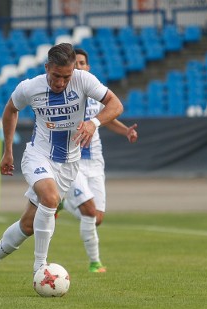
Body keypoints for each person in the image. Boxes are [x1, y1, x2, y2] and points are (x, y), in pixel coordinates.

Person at [0, 43, 123, 293]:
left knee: (28, 226)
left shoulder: (84, 80)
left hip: (69, 165)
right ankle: (39, 269)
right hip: (38, 156)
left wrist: (94, 122)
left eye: (67, 77)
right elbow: (10, 111)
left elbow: (115, 105)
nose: (61, 82)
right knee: (50, 199)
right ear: (46, 68)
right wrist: (8, 150)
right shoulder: (30, 87)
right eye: (56, 76)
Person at [56, 48, 138, 273]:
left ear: (88, 67)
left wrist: (125, 131)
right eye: (76, 64)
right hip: (72, 161)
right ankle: (95, 263)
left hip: (95, 161)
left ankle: (62, 202)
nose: (79, 67)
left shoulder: (95, 91)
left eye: (82, 63)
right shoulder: (65, 92)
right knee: (90, 212)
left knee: (97, 217)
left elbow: (108, 117)